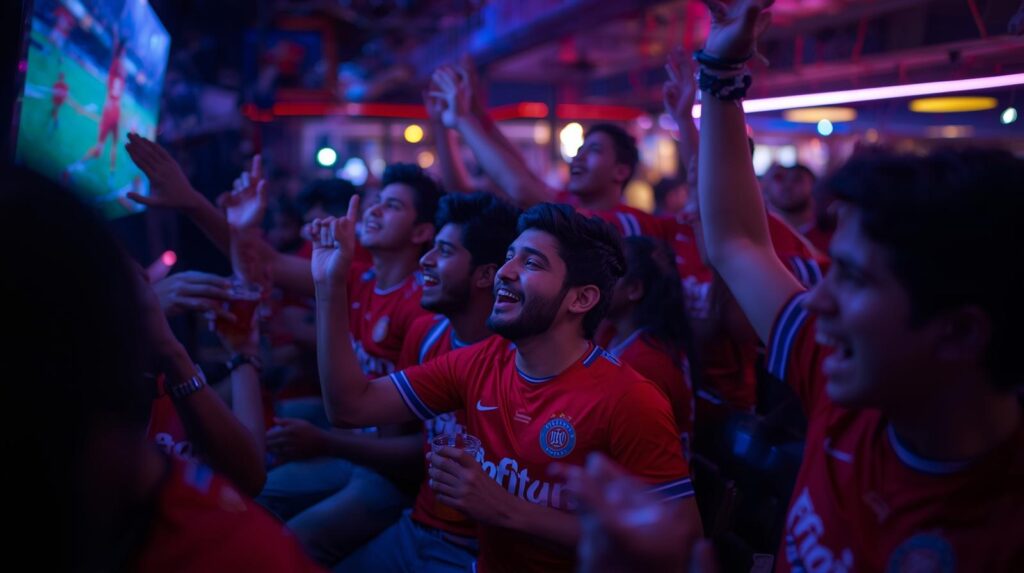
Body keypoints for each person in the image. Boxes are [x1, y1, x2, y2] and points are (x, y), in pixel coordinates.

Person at [696, 0, 1024, 569]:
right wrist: (720, 77)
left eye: (851, 277)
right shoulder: (844, 374)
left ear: (961, 332)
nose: (816, 298)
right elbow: (737, 243)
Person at [313, 200, 698, 572]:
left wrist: (507, 508)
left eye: (530, 262)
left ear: (581, 298)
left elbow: (680, 543)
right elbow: (351, 407)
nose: (504, 272)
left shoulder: (629, 398)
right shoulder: (483, 360)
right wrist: (330, 286)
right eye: (509, 256)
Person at [1, 165, 321, 572]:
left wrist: (231, 352)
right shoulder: (109, 401)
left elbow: (250, 469)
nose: (144, 285)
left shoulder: (157, 366)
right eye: (129, 281)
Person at [333, 192, 521, 573]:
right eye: (431, 247)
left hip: (477, 551)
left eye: (445, 251)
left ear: (487, 274)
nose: (426, 261)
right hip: (415, 525)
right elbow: (386, 433)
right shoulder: (425, 334)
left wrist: (322, 441)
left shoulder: (518, 362)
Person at [429, 64, 665, 239]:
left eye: (593, 150)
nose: (578, 157)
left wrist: (463, 120)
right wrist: (475, 113)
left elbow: (521, 187)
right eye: (580, 149)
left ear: (621, 171)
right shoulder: (565, 201)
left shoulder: (627, 222)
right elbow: (522, 172)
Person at [599, 236, 695, 455]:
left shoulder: (646, 363)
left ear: (634, 289)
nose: (595, 278)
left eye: (609, 271)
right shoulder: (611, 333)